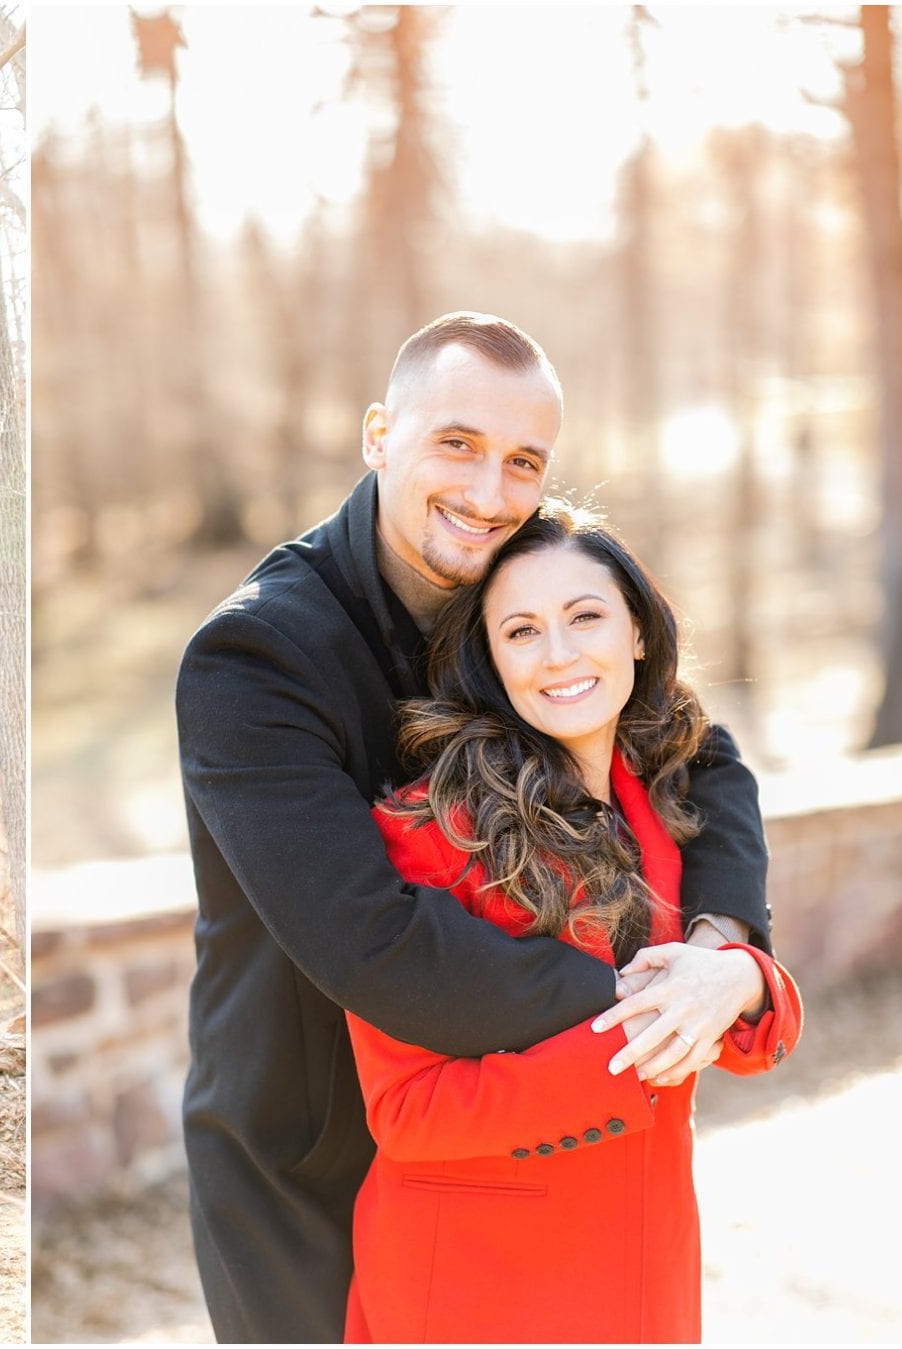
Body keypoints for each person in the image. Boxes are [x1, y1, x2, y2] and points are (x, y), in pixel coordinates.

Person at [175, 313, 774, 1343]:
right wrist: (644, 994)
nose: (489, 493)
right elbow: (373, 939)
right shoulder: (254, 655)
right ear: (379, 434)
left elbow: (699, 757)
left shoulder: (513, 596)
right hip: (308, 1151)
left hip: (510, 1129)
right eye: (457, 444)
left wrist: (723, 947)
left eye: (523, 461)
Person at [343, 503, 802, 1342]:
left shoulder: (673, 794)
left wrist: (736, 975)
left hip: (648, 1258)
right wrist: (639, 1047)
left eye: (585, 615)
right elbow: (405, 1110)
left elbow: (748, 1007)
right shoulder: (429, 832)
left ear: (636, 630)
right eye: (521, 631)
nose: (558, 654)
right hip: (475, 1283)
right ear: (491, 659)